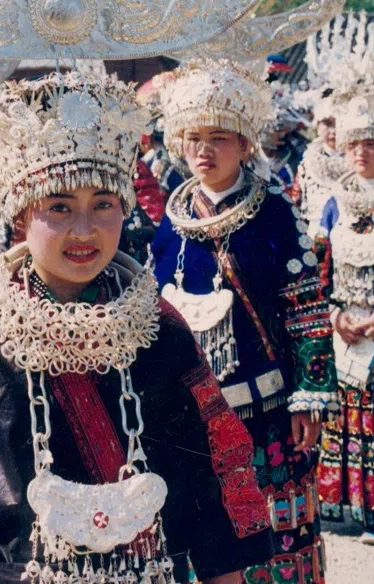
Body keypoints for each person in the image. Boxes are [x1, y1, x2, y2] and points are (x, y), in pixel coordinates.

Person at [0, 72, 273, 584]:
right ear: (21, 215)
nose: (84, 231)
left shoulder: (159, 325)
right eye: (59, 208)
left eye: (103, 205)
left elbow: (215, 462)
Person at [152, 60, 337, 584]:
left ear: (244, 143)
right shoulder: (172, 217)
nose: (204, 151)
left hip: (266, 406)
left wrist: (309, 398)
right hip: (189, 411)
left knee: (272, 533)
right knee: (203, 533)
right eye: (193, 138)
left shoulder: (276, 210)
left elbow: (304, 307)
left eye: (218, 138)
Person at [315, 90, 374, 545]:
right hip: (345, 328)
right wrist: (335, 315)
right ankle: (346, 509)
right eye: (354, 143)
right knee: (344, 417)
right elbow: (318, 266)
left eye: (371, 143)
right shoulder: (335, 200)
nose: (361, 152)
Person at [293, 91, 346, 236]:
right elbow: (296, 203)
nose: (334, 131)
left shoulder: (357, 163)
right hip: (316, 236)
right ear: (317, 126)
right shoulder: (307, 162)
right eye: (328, 124)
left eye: (339, 123)